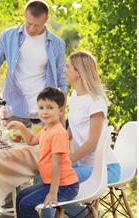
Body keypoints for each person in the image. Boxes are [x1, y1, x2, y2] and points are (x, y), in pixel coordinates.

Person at [41, 51, 121, 217]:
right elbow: (70, 132)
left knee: (53, 179)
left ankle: (86, 215)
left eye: (68, 66)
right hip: (83, 165)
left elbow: (92, 144)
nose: (65, 70)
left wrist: (66, 161)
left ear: (78, 72)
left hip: (104, 167)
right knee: (44, 174)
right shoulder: (75, 96)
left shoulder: (96, 101)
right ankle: (85, 214)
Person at [0, 0, 67, 127]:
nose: (32, 29)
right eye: (28, 24)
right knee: (10, 146)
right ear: (24, 15)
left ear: (46, 19)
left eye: (37, 26)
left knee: (41, 148)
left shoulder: (57, 44)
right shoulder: (8, 36)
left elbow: (62, 81)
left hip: (45, 115)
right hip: (13, 111)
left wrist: (61, 117)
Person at [7, 87, 79, 218]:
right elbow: (32, 140)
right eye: (41, 108)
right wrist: (22, 127)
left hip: (64, 186)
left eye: (50, 108)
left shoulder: (58, 132)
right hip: (51, 183)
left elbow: (56, 165)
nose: (44, 112)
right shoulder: (47, 129)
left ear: (61, 111)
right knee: (21, 197)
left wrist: (53, 193)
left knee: (26, 204)